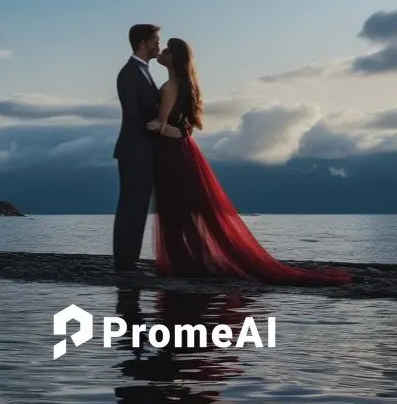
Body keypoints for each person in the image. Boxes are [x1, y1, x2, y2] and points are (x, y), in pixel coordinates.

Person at [146, 37, 352, 286]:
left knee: (175, 207)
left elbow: (162, 124)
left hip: (173, 153)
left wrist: (156, 126)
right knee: (187, 208)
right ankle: (193, 261)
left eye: (167, 50)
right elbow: (184, 125)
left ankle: (185, 263)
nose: (163, 52)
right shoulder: (188, 85)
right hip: (185, 150)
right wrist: (179, 132)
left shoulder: (170, 86)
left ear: (174, 59)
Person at [113, 23, 162, 272]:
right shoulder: (129, 73)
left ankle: (128, 259)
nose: (158, 44)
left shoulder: (143, 70)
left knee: (138, 205)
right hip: (134, 150)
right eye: (155, 39)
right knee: (131, 206)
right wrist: (160, 127)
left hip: (142, 149)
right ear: (143, 43)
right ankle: (124, 262)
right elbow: (133, 114)